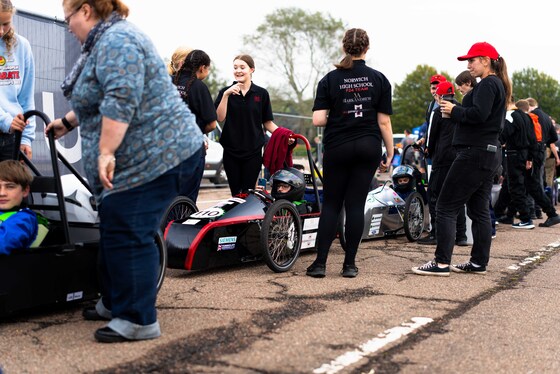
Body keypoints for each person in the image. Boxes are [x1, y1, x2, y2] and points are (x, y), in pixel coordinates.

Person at [46, 0, 203, 343]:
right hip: (143, 158)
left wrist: (106, 151)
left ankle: (138, 318)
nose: (68, 25)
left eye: (68, 17)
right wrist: (67, 122)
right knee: (117, 221)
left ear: (85, 10)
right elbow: (98, 96)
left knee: (128, 227)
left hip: (162, 154)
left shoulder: (118, 40)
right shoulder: (103, 42)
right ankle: (117, 301)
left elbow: (121, 95)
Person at [412, 42, 509, 276]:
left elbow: (479, 115)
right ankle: (477, 263)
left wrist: (453, 111)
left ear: (486, 60)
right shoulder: (496, 84)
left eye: (472, 60)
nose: (469, 65)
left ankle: (441, 262)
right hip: (488, 153)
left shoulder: (488, 84)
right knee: (478, 210)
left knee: (445, 205)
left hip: (474, 153)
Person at [305, 28, 393, 279]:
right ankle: (350, 265)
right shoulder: (379, 79)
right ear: (367, 48)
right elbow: (384, 122)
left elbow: (318, 119)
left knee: (332, 203)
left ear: (344, 48)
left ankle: (320, 264)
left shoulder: (330, 79)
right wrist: (390, 151)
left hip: (338, 146)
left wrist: (340, 113)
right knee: (356, 204)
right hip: (368, 145)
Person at [215, 54, 282, 196]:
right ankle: (237, 218)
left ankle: (247, 218)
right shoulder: (225, 92)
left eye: (242, 67)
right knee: (235, 193)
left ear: (251, 69)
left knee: (248, 192)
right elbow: (219, 118)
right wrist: (226, 95)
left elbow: (268, 122)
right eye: (235, 67)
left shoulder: (262, 94)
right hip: (231, 150)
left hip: (253, 151)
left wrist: (284, 135)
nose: (238, 70)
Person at [417, 81, 467, 246]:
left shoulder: (438, 111)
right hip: (459, 156)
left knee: (434, 194)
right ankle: (461, 235)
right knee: (457, 195)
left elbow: (431, 136)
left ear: (439, 95)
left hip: (443, 157)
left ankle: (436, 233)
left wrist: (427, 150)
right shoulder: (460, 108)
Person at [172, 49, 217, 203]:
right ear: (202, 68)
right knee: (186, 198)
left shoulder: (168, 81)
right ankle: (179, 225)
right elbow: (212, 124)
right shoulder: (199, 87)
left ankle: (162, 226)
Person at [514, 100, 560, 227]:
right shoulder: (545, 116)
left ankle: (550, 213)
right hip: (541, 151)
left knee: (533, 185)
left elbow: (529, 137)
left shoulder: (532, 117)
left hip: (532, 153)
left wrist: (529, 156)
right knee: (534, 184)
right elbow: (554, 138)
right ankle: (546, 212)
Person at [0, 0, 35, 161]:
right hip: (9, 125)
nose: (1, 31)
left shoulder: (22, 46)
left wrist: (26, 139)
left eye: (5, 24)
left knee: (11, 186)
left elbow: (26, 97)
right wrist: (6, 120)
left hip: (12, 138)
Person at [498, 99, 537, 228]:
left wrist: (499, 141)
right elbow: (532, 138)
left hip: (514, 154)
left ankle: (526, 218)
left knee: (515, 187)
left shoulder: (510, 115)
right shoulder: (527, 117)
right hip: (524, 154)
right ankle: (508, 215)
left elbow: (504, 135)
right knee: (517, 186)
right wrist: (530, 158)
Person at [0, 159, 38, 254]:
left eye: (10, 187)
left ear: (25, 191)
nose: (2, 193)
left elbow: (3, 243)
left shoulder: (24, 218)